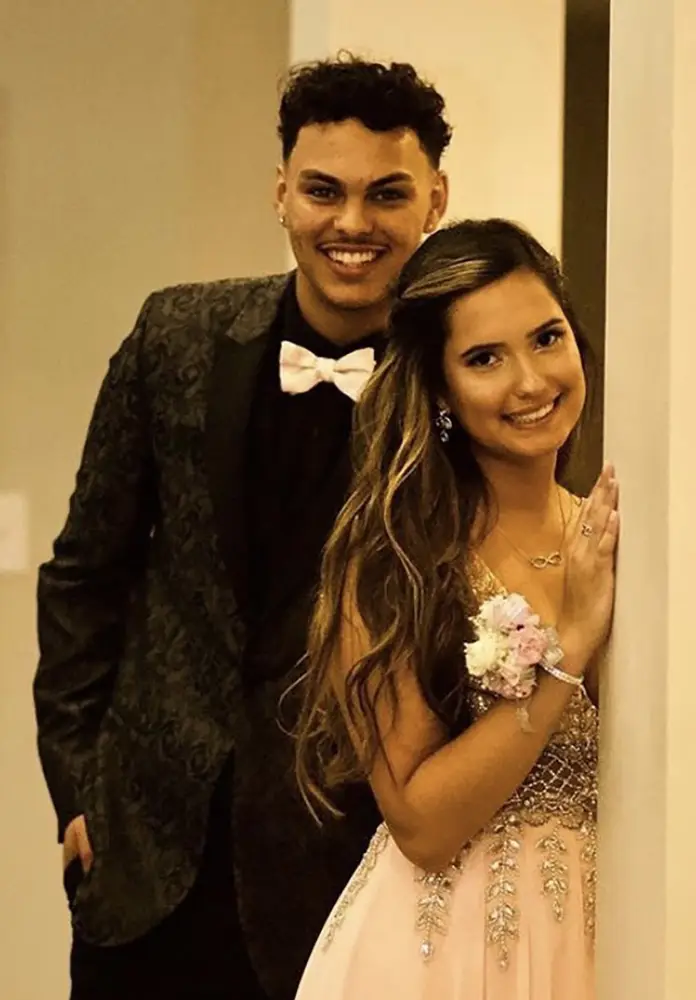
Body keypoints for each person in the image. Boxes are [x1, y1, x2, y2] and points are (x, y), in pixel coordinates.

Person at [32, 55, 451, 1000]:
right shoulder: (174, 333)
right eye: (322, 191)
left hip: (350, 870)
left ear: (434, 200)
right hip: (145, 857)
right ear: (281, 193)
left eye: (387, 194)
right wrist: (78, 787)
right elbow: (83, 574)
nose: (351, 223)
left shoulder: (460, 378)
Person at [292, 218, 618, 1000]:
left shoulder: (610, 537)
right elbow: (424, 827)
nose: (532, 382)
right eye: (484, 359)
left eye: (547, 338)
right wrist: (565, 650)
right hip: (445, 955)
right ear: (440, 389)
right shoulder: (395, 562)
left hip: (611, 940)